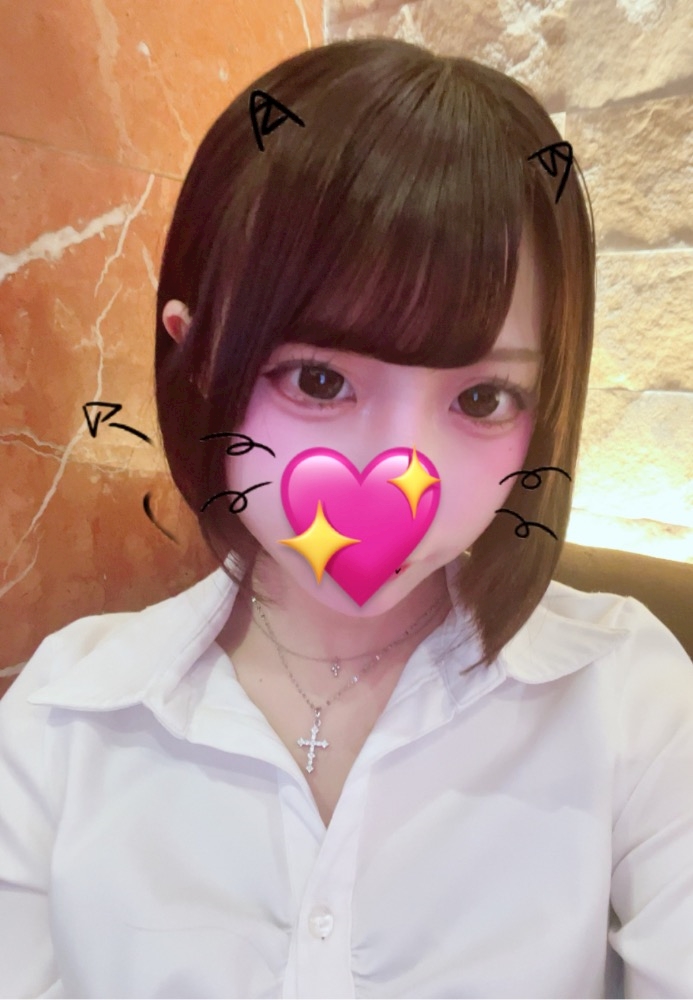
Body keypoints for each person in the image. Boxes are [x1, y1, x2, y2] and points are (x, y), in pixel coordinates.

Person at [1, 36, 691, 1000]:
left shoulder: (630, 701)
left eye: (482, 399)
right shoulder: (63, 718)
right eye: (318, 381)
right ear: (197, 360)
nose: (401, 480)